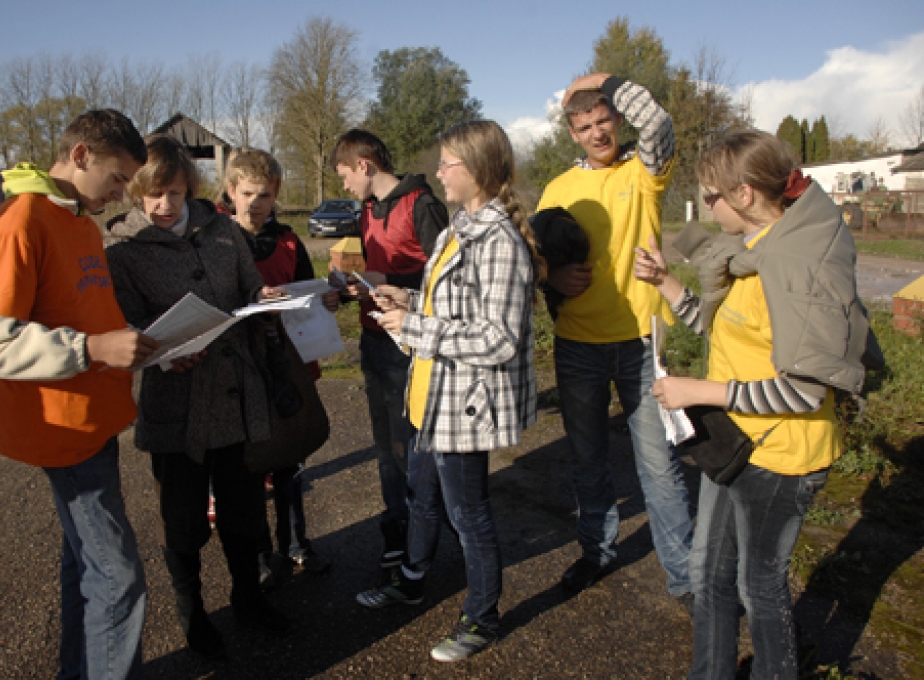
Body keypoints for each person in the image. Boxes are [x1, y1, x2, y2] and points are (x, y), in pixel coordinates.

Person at [634, 130, 876, 678]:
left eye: (711, 197)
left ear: (744, 194)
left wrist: (699, 392)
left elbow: (805, 389)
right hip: (738, 443)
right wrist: (670, 285)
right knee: (708, 572)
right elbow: (728, 332)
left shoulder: (794, 269)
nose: (706, 208)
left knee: (758, 585)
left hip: (783, 457)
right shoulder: (755, 252)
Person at [0, 109, 154, 680]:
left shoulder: (75, 218)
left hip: (92, 421)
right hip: (64, 431)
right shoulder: (21, 223)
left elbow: (84, 310)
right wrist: (96, 350)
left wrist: (143, 344)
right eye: (119, 178)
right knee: (117, 579)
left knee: (89, 566)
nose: (123, 192)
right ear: (80, 157)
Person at [354, 120, 543, 663]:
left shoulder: (500, 240)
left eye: (447, 164)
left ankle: (483, 616)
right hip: (429, 397)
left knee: (469, 515)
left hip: (462, 405)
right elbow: (454, 307)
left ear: (478, 169)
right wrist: (408, 301)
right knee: (423, 499)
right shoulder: (459, 225)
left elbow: (500, 339)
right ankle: (410, 580)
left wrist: (413, 329)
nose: (438, 173)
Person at [104, 135, 289, 660]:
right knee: (182, 521)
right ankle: (194, 615)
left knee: (244, 513)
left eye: (176, 193)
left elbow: (249, 287)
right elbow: (125, 323)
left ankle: (249, 600)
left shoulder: (222, 229)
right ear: (138, 194)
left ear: (191, 189)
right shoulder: (123, 251)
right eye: (155, 195)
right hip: (177, 401)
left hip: (236, 396)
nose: (166, 206)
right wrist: (160, 351)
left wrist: (264, 298)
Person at [536, 72, 693, 605]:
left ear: (618, 120)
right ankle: (597, 554)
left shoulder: (644, 172)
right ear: (573, 133)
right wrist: (549, 279)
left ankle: (685, 577)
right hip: (576, 342)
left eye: (605, 121)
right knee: (587, 459)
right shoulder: (558, 189)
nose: (598, 133)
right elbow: (535, 258)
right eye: (585, 126)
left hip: (640, 344)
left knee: (658, 465)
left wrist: (602, 79)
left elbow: (660, 123)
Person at [330, 129, 448, 570]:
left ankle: (425, 532)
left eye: (344, 175)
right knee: (386, 446)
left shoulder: (422, 205)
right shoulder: (365, 211)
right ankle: (396, 530)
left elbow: (448, 282)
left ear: (364, 165)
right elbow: (374, 272)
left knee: (411, 446)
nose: (343, 185)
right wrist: (350, 287)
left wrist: (397, 288)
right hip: (374, 339)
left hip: (410, 344)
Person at [221, 146, 339, 579]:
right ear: (231, 191)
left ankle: (296, 544)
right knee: (251, 468)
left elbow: (311, 291)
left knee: (291, 459)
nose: (256, 203)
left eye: (265, 195)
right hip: (241, 367)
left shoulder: (289, 240)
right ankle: (259, 555)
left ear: (276, 194)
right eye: (248, 193)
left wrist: (329, 299)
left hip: (288, 362)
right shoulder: (217, 241)